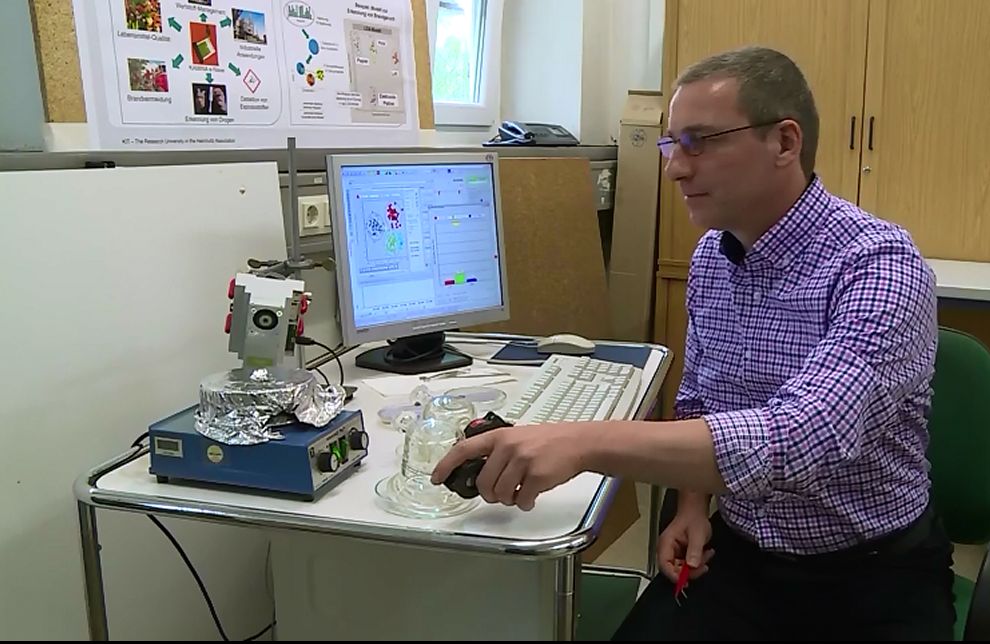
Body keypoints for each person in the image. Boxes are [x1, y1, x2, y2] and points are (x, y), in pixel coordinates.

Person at [431, 45, 955, 640]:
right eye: (671, 144)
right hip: (739, 554)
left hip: (869, 577)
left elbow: (804, 437)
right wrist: (690, 508)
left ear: (785, 143)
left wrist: (578, 442)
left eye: (699, 142)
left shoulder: (879, 263)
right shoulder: (712, 256)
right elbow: (703, 399)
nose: (675, 168)